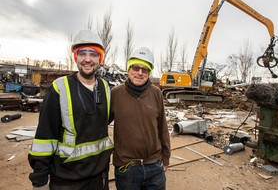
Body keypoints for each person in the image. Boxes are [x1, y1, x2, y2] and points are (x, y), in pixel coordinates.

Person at [28, 29, 113, 190]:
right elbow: (45, 136)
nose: (87, 59)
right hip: (67, 180)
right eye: (82, 53)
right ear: (76, 57)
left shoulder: (105, 88)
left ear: (100, 58)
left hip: (99, 178)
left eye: (93, 54)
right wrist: (39, 180)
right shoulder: (59, 88)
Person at [110, 47, 171, 190]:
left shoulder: (156, 93)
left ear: (149, 72)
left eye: (145, 70)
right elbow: (99, 125)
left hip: (154, 167)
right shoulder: (115, 94)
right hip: (127, 169)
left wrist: (166, 156)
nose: (139, 73)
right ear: (129, 68)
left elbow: (162, 127)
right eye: (136, 68)